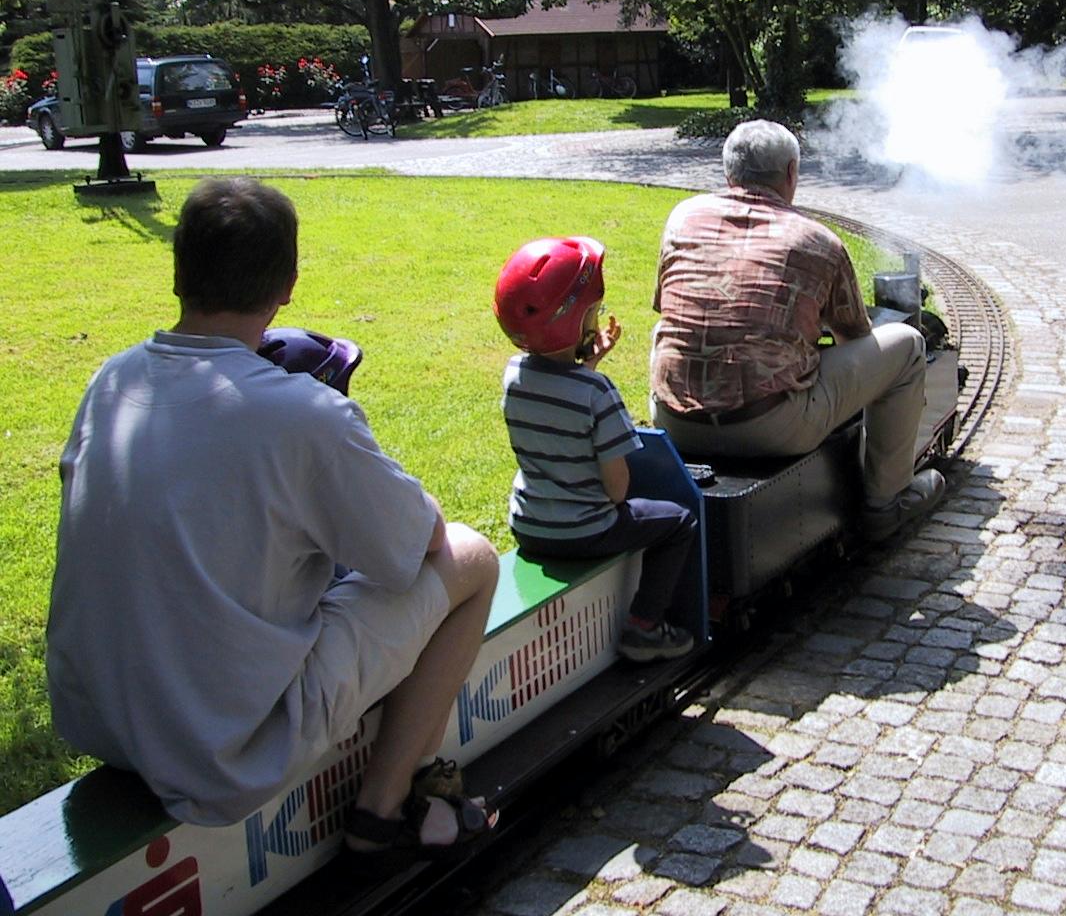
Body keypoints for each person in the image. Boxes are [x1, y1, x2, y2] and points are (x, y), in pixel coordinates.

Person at [45, 177, 500, 870]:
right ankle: (382, 812)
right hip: (221, 749)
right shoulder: (303, 415)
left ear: (179, 272)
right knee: (473, 556)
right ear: (287, 286)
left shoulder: (112, 381)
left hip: (97, 720)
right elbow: (419, 545)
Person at [650, 119, 945, 540]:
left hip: (675, 422)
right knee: (909, 345)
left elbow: (667, 305)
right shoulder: (818, 240)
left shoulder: (683, 217)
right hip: (769, 428)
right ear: (791, 172)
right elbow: (852, 337)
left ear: (728, 171)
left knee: (663, 332)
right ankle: (886, 503)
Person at [494, 236, 697, 661]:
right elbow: (617, 490)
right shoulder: (597, 393)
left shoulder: (513, 376)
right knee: (679, 521)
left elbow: (561, 401)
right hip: (585, 532)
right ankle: (645, 628)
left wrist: (587, 364)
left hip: (529, 526)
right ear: (574, 319)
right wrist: (591, 376)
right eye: (593, 312)